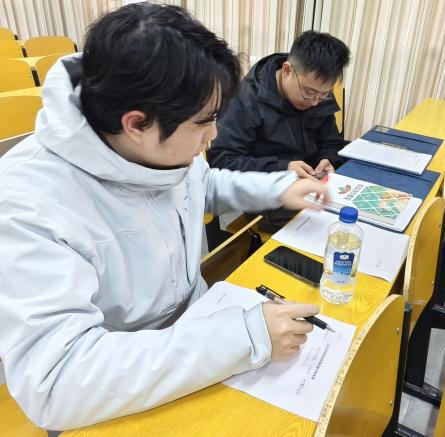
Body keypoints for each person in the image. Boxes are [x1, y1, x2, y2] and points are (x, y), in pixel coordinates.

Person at [0, 4, 329, 431]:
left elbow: (203, 186)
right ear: (136, 124)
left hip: (198, 333)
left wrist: (278, 189)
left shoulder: (158, 141)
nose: (214, 134)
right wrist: (243, 337)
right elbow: (57, 383)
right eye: (205, 121)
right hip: (116, 388)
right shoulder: (26, 203)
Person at [207, 30, 350, 231]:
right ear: (287, 70)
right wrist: (284, 168)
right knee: (330, 232)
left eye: (323, 94)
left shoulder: (318, 94)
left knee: (351, 219)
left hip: (313, 186)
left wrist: (329, 159)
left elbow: (331, 141)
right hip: (269, 196)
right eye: (309, 93)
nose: (315, 102)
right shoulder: (244, 99)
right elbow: (223, 161)